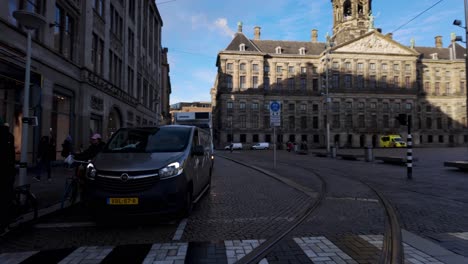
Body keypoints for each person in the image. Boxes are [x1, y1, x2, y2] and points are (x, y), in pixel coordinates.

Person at [0, 118, 16, 232]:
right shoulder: (10, 136)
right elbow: (12, 155)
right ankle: (6, 223)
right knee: (6, 197)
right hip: (8, 171)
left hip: (5, 171)